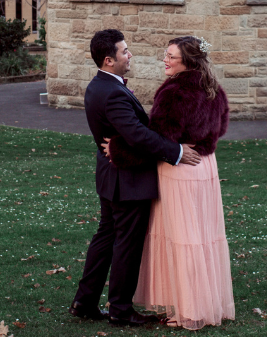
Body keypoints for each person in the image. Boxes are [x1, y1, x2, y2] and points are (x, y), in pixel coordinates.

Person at [70, 29, 202, 327]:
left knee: (105, 239)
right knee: (126, 245)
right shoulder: (112, 92)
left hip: (110, 177)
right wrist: (177, 151)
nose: (130, 55)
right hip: (127, 181)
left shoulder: (97, 86)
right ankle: (120, 309)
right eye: (124, 51)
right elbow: (137, 136)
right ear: (109, 60)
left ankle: (85, 301)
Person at [106, 35, 235, 330]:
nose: (165, 60)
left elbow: (158, 139)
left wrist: (116, 150)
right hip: (205, 168)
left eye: (171, 56)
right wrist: (199, 144)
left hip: (179, 171)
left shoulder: (175, 92)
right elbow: (222, 126)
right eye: (165, 54)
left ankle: (189, 311)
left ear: (187, 61)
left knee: (183, 239)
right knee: (202, 237)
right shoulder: (213, 88)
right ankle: (203, 304)